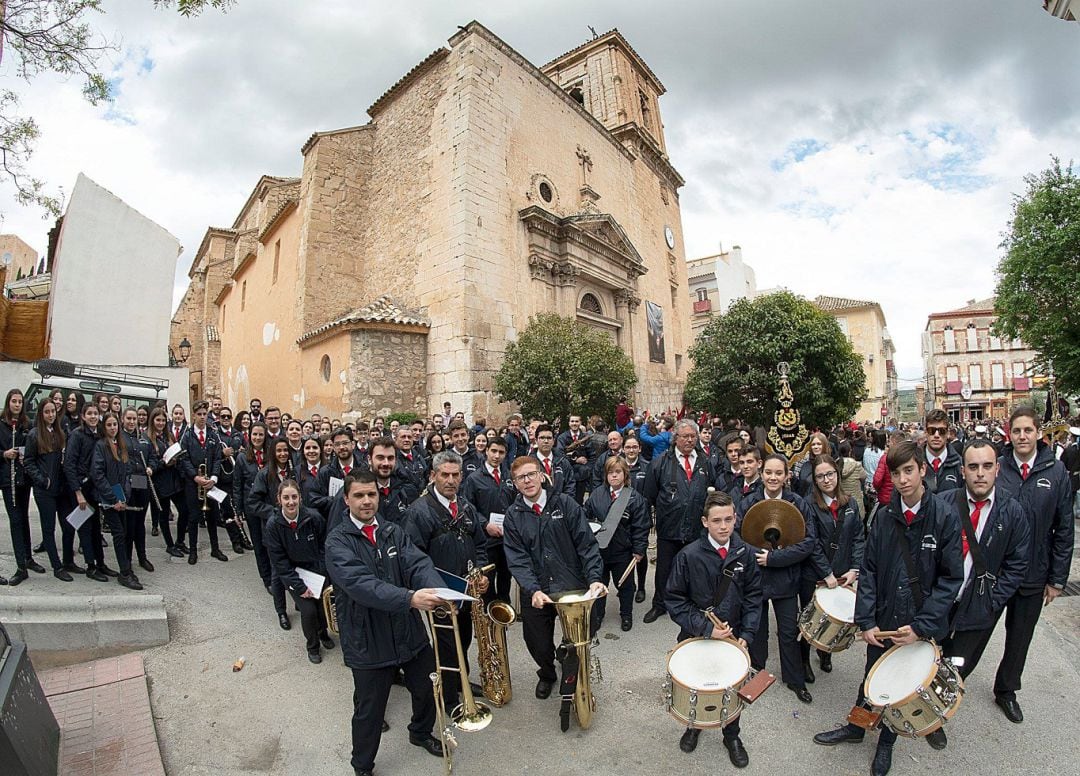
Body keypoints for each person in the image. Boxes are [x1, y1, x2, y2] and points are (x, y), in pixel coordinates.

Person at [813, 440, 963, 775]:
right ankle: (856, 727)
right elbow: (870, 570)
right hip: (883, 620)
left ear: (923, 470)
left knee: (899, 687)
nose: (903, 479)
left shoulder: (944, 517)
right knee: (872, 678)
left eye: (909, 470)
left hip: (918, 624)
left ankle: (885, 742)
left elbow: (951, 580)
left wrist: (922, 627)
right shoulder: (884, 516)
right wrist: (866, 622)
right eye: (896, 473)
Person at [324, 472, 447, 776]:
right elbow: (361, 585)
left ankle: (419, 733)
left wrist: (437, 591)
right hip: (368, 639)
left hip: (407, 629)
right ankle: (362, 765)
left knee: (427, 689)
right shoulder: (337, 541)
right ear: (347, 499)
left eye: (372, 495)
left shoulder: (392, 531)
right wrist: (410, 598)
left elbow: (417, 563)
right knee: (370, 710)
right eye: (359, 495)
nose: (367, 501)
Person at [986, 406, 1073, 723]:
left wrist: (1057, 579)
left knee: (1019, 637)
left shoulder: (1056, 471)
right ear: (1009, 434)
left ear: (1038, 433)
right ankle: (950, 685)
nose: (1022, 436)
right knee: (975, 630)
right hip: (995, 571)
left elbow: (1064, 528)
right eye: (1017, 430)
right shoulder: (998, 465)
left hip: (1034, 573)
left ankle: (1006, 691)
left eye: (1028, 430)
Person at [666, 490, 761, 766]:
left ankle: (731, 734)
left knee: (732, 687)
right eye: (717, 520)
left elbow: (755, 599)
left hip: (734, 637)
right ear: (705, 522)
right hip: (697, 635)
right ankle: (694, 725)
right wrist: (705, 629)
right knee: (698, 685)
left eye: (728, 519)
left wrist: (747, 635)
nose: (723, 526)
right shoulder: (688, 556)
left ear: (735, 519)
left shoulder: (746, 553)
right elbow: (674, 599)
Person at [502, 455, 605, 701]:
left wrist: (594, 579)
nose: (527, 481)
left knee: (578, 638)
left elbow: (586, 545)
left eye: (531, 474)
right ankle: (547, 674)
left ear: (541, 475)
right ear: (515, 483)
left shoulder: (566, 504)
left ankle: (572, 667)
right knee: (536, 641)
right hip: (538, 590)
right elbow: (517, 559)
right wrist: (532, 589)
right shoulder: (513, 516)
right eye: (520, 478)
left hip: (571, 584)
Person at [404, 451, 489, 710]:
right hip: (440, 594)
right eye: (445, 475)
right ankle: (450, 699)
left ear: (461, 477)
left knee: (463, 639)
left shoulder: (465, 506)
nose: (450, 480)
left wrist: (483, 572)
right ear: (433, 476)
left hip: (466, 591)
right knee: (445, 646)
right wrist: (435, 591)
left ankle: (460, 678)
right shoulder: (418, 511)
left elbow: (480, 544)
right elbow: (413, 557)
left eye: (455, 475)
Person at [939, 439, 1029, 683]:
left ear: (997, 469)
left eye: (987, 466)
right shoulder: (943, 503)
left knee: (955, 673)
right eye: (973, 466)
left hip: (980, 606)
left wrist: (993, 600)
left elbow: (1017, 564)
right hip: (940, 601)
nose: (980, 474)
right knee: (925, 663)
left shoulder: (1012, 511)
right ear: (962, 470)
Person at [739, 454, 816, 703]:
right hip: (756, 577)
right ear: (762, 474)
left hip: (786, 577)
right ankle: (756, 673)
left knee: (788, 630)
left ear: (787, 476)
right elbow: (737, 539)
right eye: (769, 473)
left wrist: (774, 558)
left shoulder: (798, 503)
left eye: (778, 473)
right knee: (757, 629)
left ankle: (795, 679)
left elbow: (808, 542)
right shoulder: (748, 502)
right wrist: (758, 555)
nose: (773, 478)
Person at [643, 419, 716, 624]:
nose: (690, 440)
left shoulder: (705, 462)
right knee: (664, 570)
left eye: (693, 436)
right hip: (669, 529)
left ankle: (694, 606)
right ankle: (659, 604)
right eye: (685, 436)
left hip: (696, 529)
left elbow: (713, 491)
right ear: (675, 438)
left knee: (695, 569)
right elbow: (649, 496)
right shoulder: (660, 462)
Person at [800, 454, 863, 676]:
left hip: (842, 571)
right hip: (814, 574)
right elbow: (811, 542)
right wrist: (826, 572)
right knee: (810, 619)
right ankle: (804, 659)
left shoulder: (851, 503)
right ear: (815, 480)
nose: (826, 480)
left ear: (837, 474)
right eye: (820, 476)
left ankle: (824, 652)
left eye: (830, 474)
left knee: (832, 619)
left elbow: (858, 538)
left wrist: (855, 569)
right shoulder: (808, 505)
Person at [264, 479, 335, 663]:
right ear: (279, 499)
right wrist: (300, 586)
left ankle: (323, 633)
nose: (291, 502)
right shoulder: (273, 525)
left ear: (300, 498)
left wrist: (321, 575)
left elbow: (324, 547)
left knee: (321, 608)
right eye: (286, 497)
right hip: (294, 574)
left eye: (294, 497)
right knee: (308, 611)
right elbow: (279, 562)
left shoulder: (314, 518)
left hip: (316, 571)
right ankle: (312, 646)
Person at [583, 456, 649, 631]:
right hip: (600, 550)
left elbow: (641, 526)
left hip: (623, 552)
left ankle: (626, 615)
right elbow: (586, 515)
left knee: (626, 586)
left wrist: (639, 549)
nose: (614, 476)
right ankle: (598, 614)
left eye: (618, 472)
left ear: (625, 474)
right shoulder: (597, 494)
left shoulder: (635, 498)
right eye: (610, 472)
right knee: (598, 583)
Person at [21, 399, 73, 582]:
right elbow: (28, 461)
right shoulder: (34, 435)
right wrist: (42, 480)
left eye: (53, 412)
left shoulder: (60, 433)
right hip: (45, 490)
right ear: (41, 414)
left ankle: (68, 561)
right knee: (48, 529)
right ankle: (57, 566)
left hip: (61, 488)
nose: (51, 415)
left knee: (68, 526)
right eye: (47, 412)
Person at [460, 435, 515, 603]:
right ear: (486, 452)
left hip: (507, 538)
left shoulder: (510, 476)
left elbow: (516, 503)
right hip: (487, 539)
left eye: (501, 452)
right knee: (488, 581)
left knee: (506, 578)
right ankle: (490, 612)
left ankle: (505, 610)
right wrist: (485, 524)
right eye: (494, 451)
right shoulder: (474, 478)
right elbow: (468, 506)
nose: (497, 456)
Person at [90, 413, 142, 590]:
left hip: (121, 497)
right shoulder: (100, 446)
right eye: (109, 425)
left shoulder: (121, 445)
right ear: (104, 427)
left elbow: (127, 473)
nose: (113, 428)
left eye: (115, 424)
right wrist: (113, 498)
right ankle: (125, 572)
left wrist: (124, 496)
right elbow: (98, 475)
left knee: (125, 532)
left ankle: (126, 567)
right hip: (108, 500)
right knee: (119, 534)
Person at [64, 402, 114, 581]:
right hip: (80, 488)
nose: (93, 416)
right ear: (83, 416)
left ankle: (100, 563)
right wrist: (78, 492)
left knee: (95, 528)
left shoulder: (99, 434)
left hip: (94, 487)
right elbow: (69, 465)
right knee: (85, 528)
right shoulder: (76, 435)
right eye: (89, 414)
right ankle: (90, 566)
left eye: (96, 413)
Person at [249, 436, 294, 629]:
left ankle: (299, 601)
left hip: (294, 530)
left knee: (296, 569)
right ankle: (282, 611)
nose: (283, 454)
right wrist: (274, 512)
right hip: (274, 530)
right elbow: (253, 503)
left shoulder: (294, 471)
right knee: (277, 573)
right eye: (279, 451)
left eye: (286, 450)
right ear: (273, 453)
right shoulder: (264, 474)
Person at [176, 401, 229, 566]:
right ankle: (193, 551)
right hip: (193, 484)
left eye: (204, 414)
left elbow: (217, 458)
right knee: (193, 517)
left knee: (212, 516)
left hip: (210, 483)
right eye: (199, 414)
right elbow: (183, 459)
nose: (202, 417)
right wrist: (195, 477)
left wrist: (213, 477)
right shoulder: (187, 435)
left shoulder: (213, 434)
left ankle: (215, 548)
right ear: (194, 415)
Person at [2, 388, 40, 585]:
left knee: (23, 518)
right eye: (14, 401)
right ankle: (20, 567)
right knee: (16, 520)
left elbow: (32, 448)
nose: (17, 404)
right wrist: (4, 454)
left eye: (19, 401)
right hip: (8, 480)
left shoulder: (27, 424)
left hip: (24, 479)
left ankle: (28, 558)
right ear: (8, 403)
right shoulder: (1, 425)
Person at [146, 407, 186, 557]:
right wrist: (164, 463)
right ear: (153, 421)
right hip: (160, 481)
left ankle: (180, 541)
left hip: (174, 480)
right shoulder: (147, 438)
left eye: (163, 420)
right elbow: (151, 463)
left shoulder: (168, 436)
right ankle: (170, 545)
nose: (161, 423)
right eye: (158, 420)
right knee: (163, 516)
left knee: (185, 510)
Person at [119, 408, 154, 575]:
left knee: (140, 523)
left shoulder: (144, 438)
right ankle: (127, 560)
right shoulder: (119, 438)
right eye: (129, 418)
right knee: (129, 525)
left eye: (134, 419)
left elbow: (153, 457)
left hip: (141, 481)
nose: (132, 421)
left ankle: (142, 556)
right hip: (126, 482)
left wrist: (151, 467)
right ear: (123, 419)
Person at [923, 410, 962, 494]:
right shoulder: (914, 462)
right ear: (925, 432)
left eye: (942, 431)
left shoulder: (960, 464)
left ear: (948, 433)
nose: (936, 435)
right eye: (931, 430)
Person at [530, 424, 575, 498]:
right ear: (536, 440)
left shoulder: (563, 462)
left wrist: (565, 504)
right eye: (542, 438)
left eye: (549, 438)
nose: (546, 441)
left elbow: (570, 486)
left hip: (561, 505)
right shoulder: (529, 463)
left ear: (554, 441)